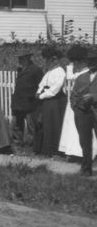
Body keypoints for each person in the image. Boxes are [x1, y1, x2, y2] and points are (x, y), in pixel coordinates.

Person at [58, 45, 96, 159]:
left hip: (91, 108)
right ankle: (77, 154)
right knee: (79, 134)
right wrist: (75, 106)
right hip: (79, 107)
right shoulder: (80, 73)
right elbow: (74, 89)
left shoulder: (83, 72)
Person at [68, 47, 97, 177]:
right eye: (89, 61)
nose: (91, 63)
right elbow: (73, 95)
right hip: (82, 114)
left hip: (95, 111)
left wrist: (93, 98)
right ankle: (86, 168)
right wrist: (75, 108)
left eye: (94, 61)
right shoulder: (81, 77)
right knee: (85, 142)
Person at [33, 45, 66, 157]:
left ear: (54, 59)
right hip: (46, 100)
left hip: (55, 101)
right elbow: (42, 84)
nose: (47, 62)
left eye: (48, 59)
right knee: (42, 123)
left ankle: (53, 149)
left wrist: (42, 96)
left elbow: (55, 89)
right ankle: (42, 148)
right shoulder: (48, 72)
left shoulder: (60, 71)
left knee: (53, 123)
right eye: (46, 60)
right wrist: (38, 91)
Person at [10, 51, 43, 150]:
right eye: (19, 58)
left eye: (22, 58)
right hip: (18, 102)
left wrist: (35, 96)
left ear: (28, 58)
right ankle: (17, 143)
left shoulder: (35, 70)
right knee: (16, 124)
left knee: (30, 125)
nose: (19, 60)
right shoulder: (19, 69)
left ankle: (30, 145)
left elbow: (41, 85)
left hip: (29, 102)